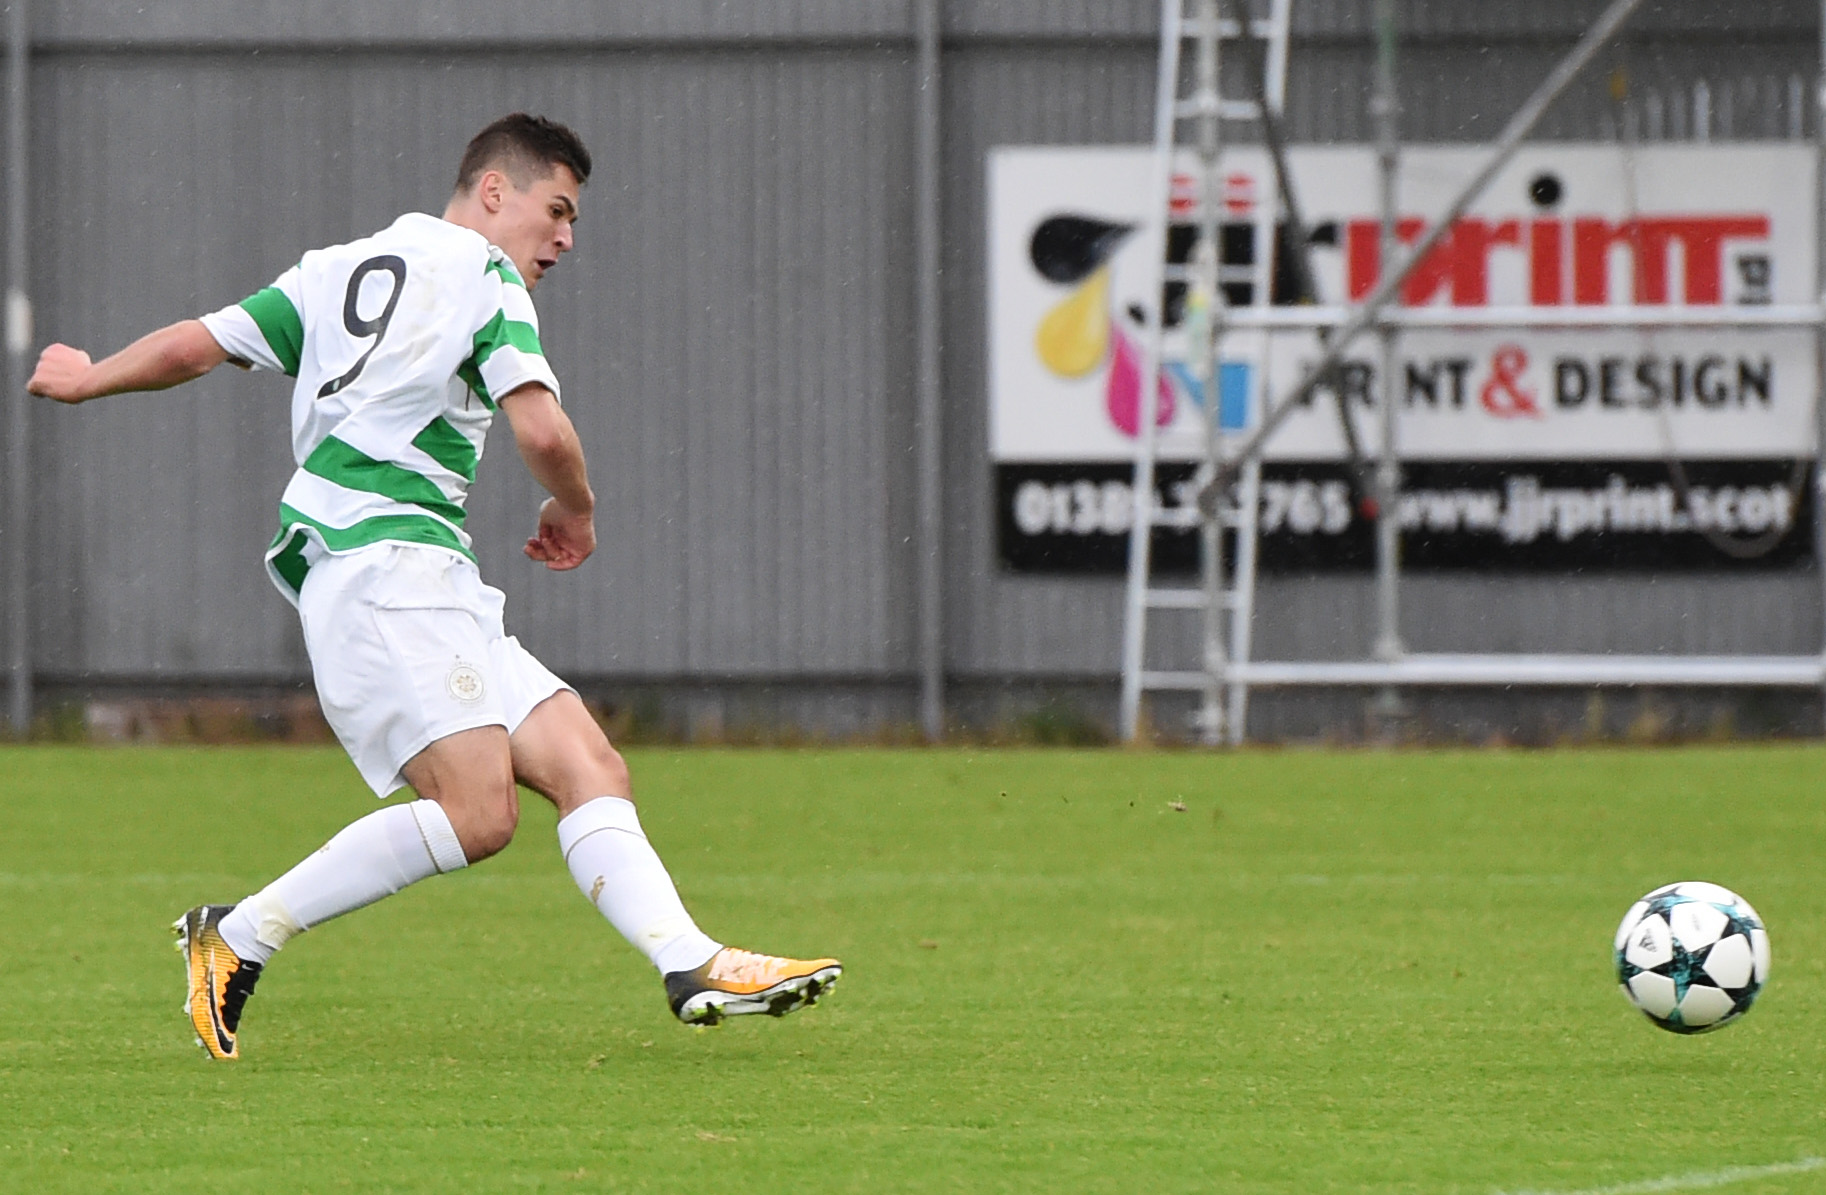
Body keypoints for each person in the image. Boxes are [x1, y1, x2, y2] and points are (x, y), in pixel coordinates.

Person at [27, 113, 841, 1061]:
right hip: (384, 566)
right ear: (495, 191)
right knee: (478, 812)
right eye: (558, 210)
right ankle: (238, 933)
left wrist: (89, 378)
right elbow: (541, 431)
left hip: (421, 572)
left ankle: (691, 962)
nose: (567, 239)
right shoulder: (484, 274)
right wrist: (576, 508)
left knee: (588, 766)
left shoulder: (338, 267)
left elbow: (198, 345)